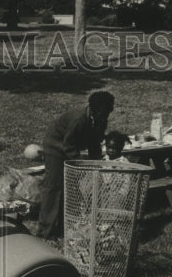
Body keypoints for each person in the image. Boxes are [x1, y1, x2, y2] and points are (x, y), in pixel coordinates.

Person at [37, 90, 115, 239]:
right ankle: (44, 231)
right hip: (55, 146)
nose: (106, 115)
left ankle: (63, 227)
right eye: (103, 112)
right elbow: (68, 145)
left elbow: (95, 143)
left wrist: (96, 164)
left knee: (70, 188)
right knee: (54, 186)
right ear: (93, 110)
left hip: (69, 147)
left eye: (108, 111)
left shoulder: (101, 119)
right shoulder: (79, 119)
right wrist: (81, 163)